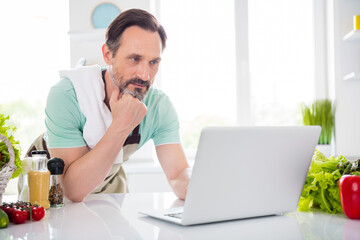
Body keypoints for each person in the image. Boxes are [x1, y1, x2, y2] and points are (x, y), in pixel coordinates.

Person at [45, 9, 191, 202]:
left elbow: (178, 174)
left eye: (153, 62)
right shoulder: (67, 95)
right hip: (48, 193)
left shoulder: (158, 106)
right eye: (135, 59)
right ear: (107, 54)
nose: (145, 75)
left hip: (108, 189)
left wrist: (202, 187)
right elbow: (72, 190)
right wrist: (121, 125)